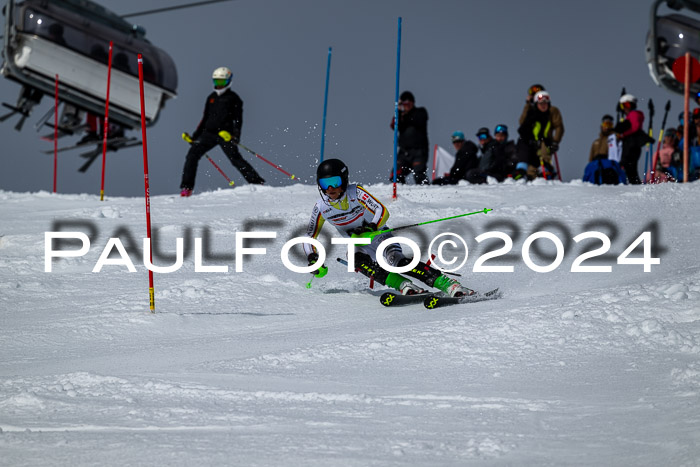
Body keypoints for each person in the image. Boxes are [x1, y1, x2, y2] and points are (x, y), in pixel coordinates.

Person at [304, 159, 474, 297]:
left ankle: (448, 285)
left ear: (344, 180)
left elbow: (382, 210)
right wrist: (313, 257)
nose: (330, 188)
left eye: (334, 182)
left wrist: (372, 227)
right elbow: (310, 236)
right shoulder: (321, 207)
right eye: (325, 184)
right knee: (355, 259)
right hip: (358, 246)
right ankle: (402, 285)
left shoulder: (356, 192)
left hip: (379, 238)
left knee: (398, 262)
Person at [179, 66, 264, 196]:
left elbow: (238, 120)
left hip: (225, 134)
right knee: (192, 155)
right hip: (208, 133)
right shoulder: (211, 98)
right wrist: (195, 136)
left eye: (221, 82)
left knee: (235, 159)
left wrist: (234, 136)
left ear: (229, 82)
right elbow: (205, 118)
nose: (218, 85)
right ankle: (187, 188)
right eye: (216, 82)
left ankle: (257, 183)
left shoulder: (234, 98)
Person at [515, 90, 564, 179]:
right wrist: (528, 104)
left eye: (545, 103)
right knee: (531, 169)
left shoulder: (552, 112)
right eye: (540, 103)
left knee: (544, 150)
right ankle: (526, 174)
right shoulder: (531, 113)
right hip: (531, 144)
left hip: (545, 143)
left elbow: (559, 127)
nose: (543, 105)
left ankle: (546, 171)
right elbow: (522, 124)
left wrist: (555, 141)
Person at [390, 91, 430, 185]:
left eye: (409, 103)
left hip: (418, 151)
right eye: (404, 103)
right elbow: (394, 126)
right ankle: (402, 193)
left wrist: (404, 115)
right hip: (404, 152)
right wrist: (399, 111)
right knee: (395, 175)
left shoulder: (420, 112)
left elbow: (417, 120)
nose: (407, 105)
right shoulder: (401, 116)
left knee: (419, 175)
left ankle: (426, 194)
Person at [613, 94, 653, 184]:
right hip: (629, 144)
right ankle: (631, 183)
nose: (625, 108)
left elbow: (635, 127)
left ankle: (634, 184)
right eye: (623, 106)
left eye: (627, 105)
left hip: (632, 144)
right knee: (627, 166)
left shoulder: (634, 114)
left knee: (630, 166)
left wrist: (624, 132)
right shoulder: (630, 116)